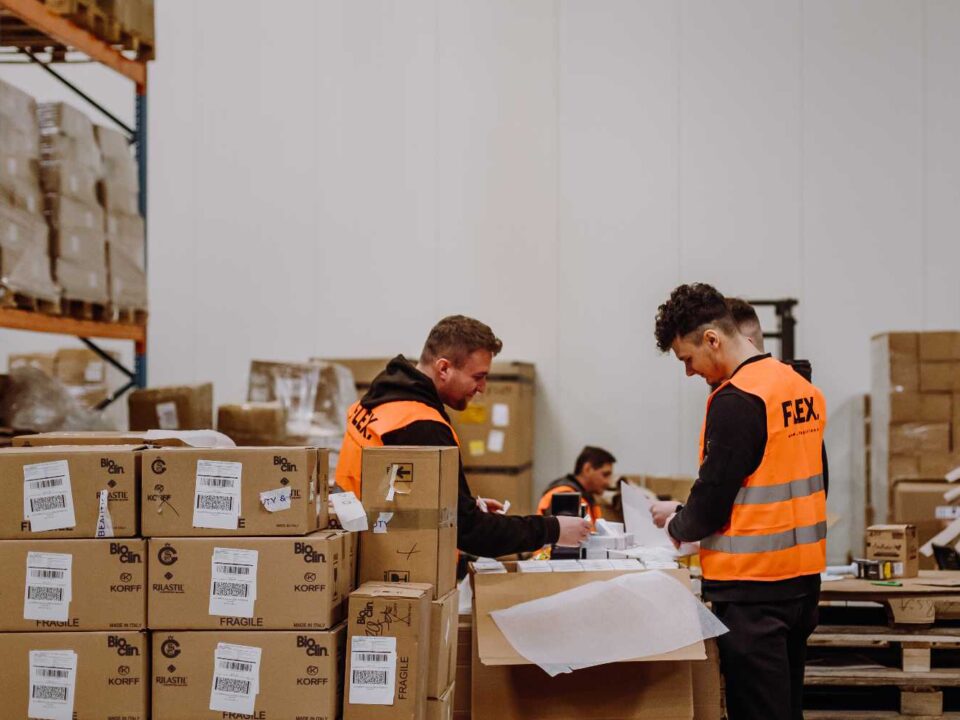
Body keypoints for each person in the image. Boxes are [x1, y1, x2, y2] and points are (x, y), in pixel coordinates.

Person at [649, 283, 827, 720]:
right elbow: (801, 479)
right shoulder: (799, 387)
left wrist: (676, 528)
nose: (689, 372)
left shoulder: (737, 399)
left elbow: (713, 496)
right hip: (801, 584)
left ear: (712, 339)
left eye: (687, 359)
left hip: (752, 594)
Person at [335, 315, 591, 558]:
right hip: (390, 561)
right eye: (478, 377)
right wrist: (553, 529)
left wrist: (463, 503)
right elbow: (470, 531)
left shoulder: (381, 399)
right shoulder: (420, 425)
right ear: (444, 368)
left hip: (357, 544)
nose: (482, 388)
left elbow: (394, 489)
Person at [537, 445, 615, 527]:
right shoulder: (565, 495)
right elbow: (565, 537)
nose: (608, 482)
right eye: (605, 475)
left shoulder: (584, 496)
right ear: (587, 469)